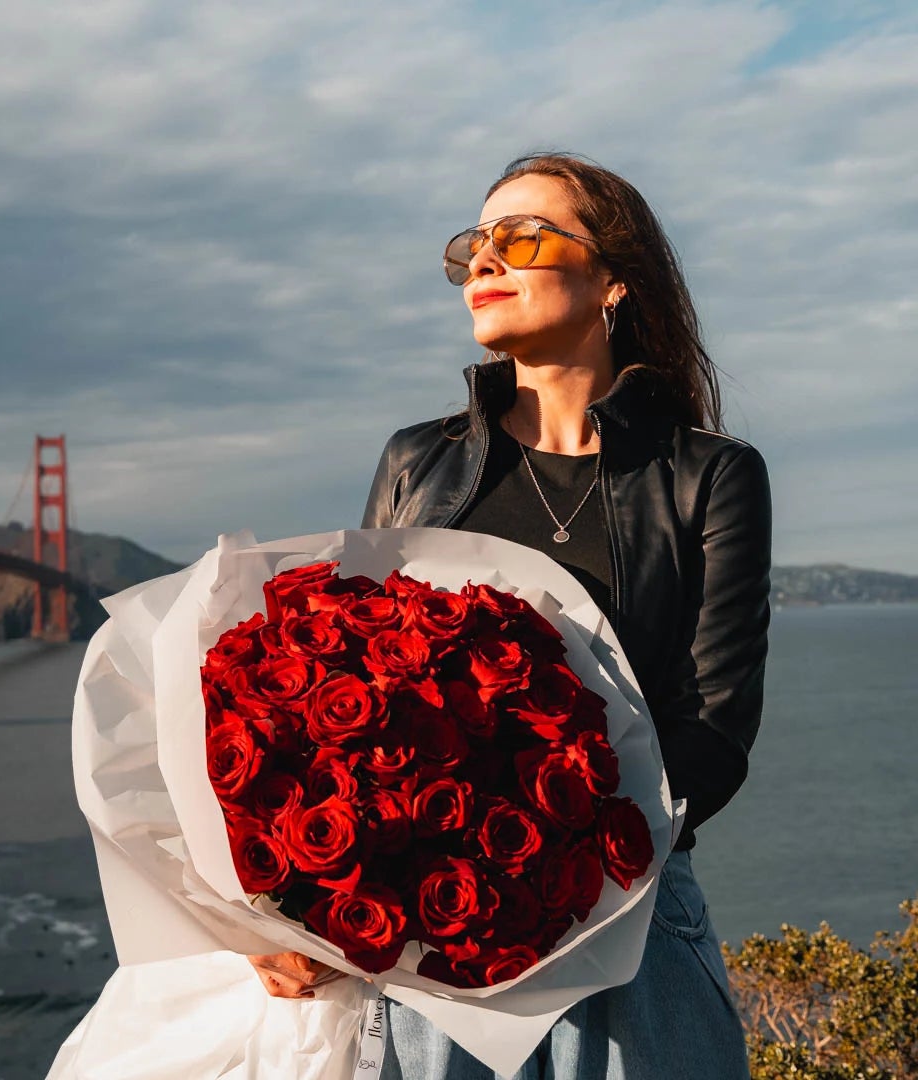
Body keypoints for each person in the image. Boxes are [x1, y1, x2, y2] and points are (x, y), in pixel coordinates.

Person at [248, 152, 770, 1078]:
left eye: (522, 237)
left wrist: (559, 868)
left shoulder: (711, 474)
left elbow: (716, 731)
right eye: (473, 246)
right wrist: (296, 904)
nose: (486, 261)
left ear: (613, 277)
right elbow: (338, 709)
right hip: (434, 946)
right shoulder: (416, 462)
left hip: (628, 926)